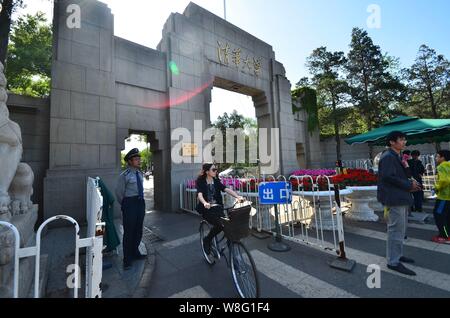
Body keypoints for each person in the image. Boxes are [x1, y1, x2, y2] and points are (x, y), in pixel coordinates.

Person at [377, 131, 421, 276]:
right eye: (401, 139)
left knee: (400, 230)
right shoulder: (388, 157)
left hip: (400, 197)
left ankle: (398, 255)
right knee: (395, 230)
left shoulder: (397, 156)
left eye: (404, 139)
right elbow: (389, 177)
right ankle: (393, 261)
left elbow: (401, 175)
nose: (404, 142)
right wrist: (409, 186)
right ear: (392, 142)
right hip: (394, 198)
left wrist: (410, 181)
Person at [196, 163, 244, 254]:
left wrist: (237, 197)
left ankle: (231, 249)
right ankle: (207, 240)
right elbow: (200, 194)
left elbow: (225, 189)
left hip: (218, 208)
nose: (216, 171)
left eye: (216, 169)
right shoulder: (200, 181)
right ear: (207, 172)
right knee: (220, 225)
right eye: (213, 170)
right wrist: (205, 203)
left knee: (227, 225)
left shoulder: (216, 180)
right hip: (207, 210)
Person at [115, 148, 146, 270]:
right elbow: (119, 192)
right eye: (136, 159)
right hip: (130, 203)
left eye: (139, 159)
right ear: (129, 161)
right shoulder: (124, 175)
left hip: (140, 203)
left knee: (138, 229)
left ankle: (135, 252)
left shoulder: (140, 173)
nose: (139, 161)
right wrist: (125, 205)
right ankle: (127, 259)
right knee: (129, 231)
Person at [431, 150, 450, 243]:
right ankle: (447, 234)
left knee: (439, 215)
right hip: (448, 197)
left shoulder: (442, 166)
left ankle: (445, 236)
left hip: (444, 196)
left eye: (437, 156)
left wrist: (436, 188)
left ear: (443, 158)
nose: (436, 158)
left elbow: (444, 180)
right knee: (447, 216)